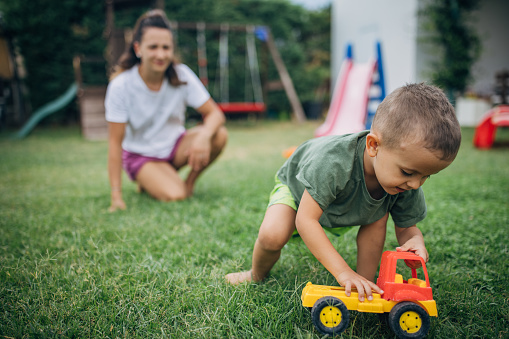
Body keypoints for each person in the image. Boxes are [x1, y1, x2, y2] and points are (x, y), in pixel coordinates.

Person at [226, 83, 461, 301]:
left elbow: (407, 228)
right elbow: (306, 220)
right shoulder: (333, 163)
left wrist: (415, 241)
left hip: (352, 204)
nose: (416, 184)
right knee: (272, 235)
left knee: (378, 217)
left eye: (426, 176)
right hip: (300, 190)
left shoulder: (405, 181)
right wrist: (342, 272)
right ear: (373, 146)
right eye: (409, 172)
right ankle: (255, 274)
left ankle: (365, 283)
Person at [105, 10, 227, 212]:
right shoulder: (121, 85)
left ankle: (188, 185)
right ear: (138, 48)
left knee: (219, 135)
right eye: (153, 47)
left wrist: (204, 135)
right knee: (175, 195)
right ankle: (151, 179)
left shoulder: (182, 74)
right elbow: (115, 143)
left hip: (174, 148)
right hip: (141, 155)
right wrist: (116, 196)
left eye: (166, 48)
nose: (160, 55)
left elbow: (216, 114)